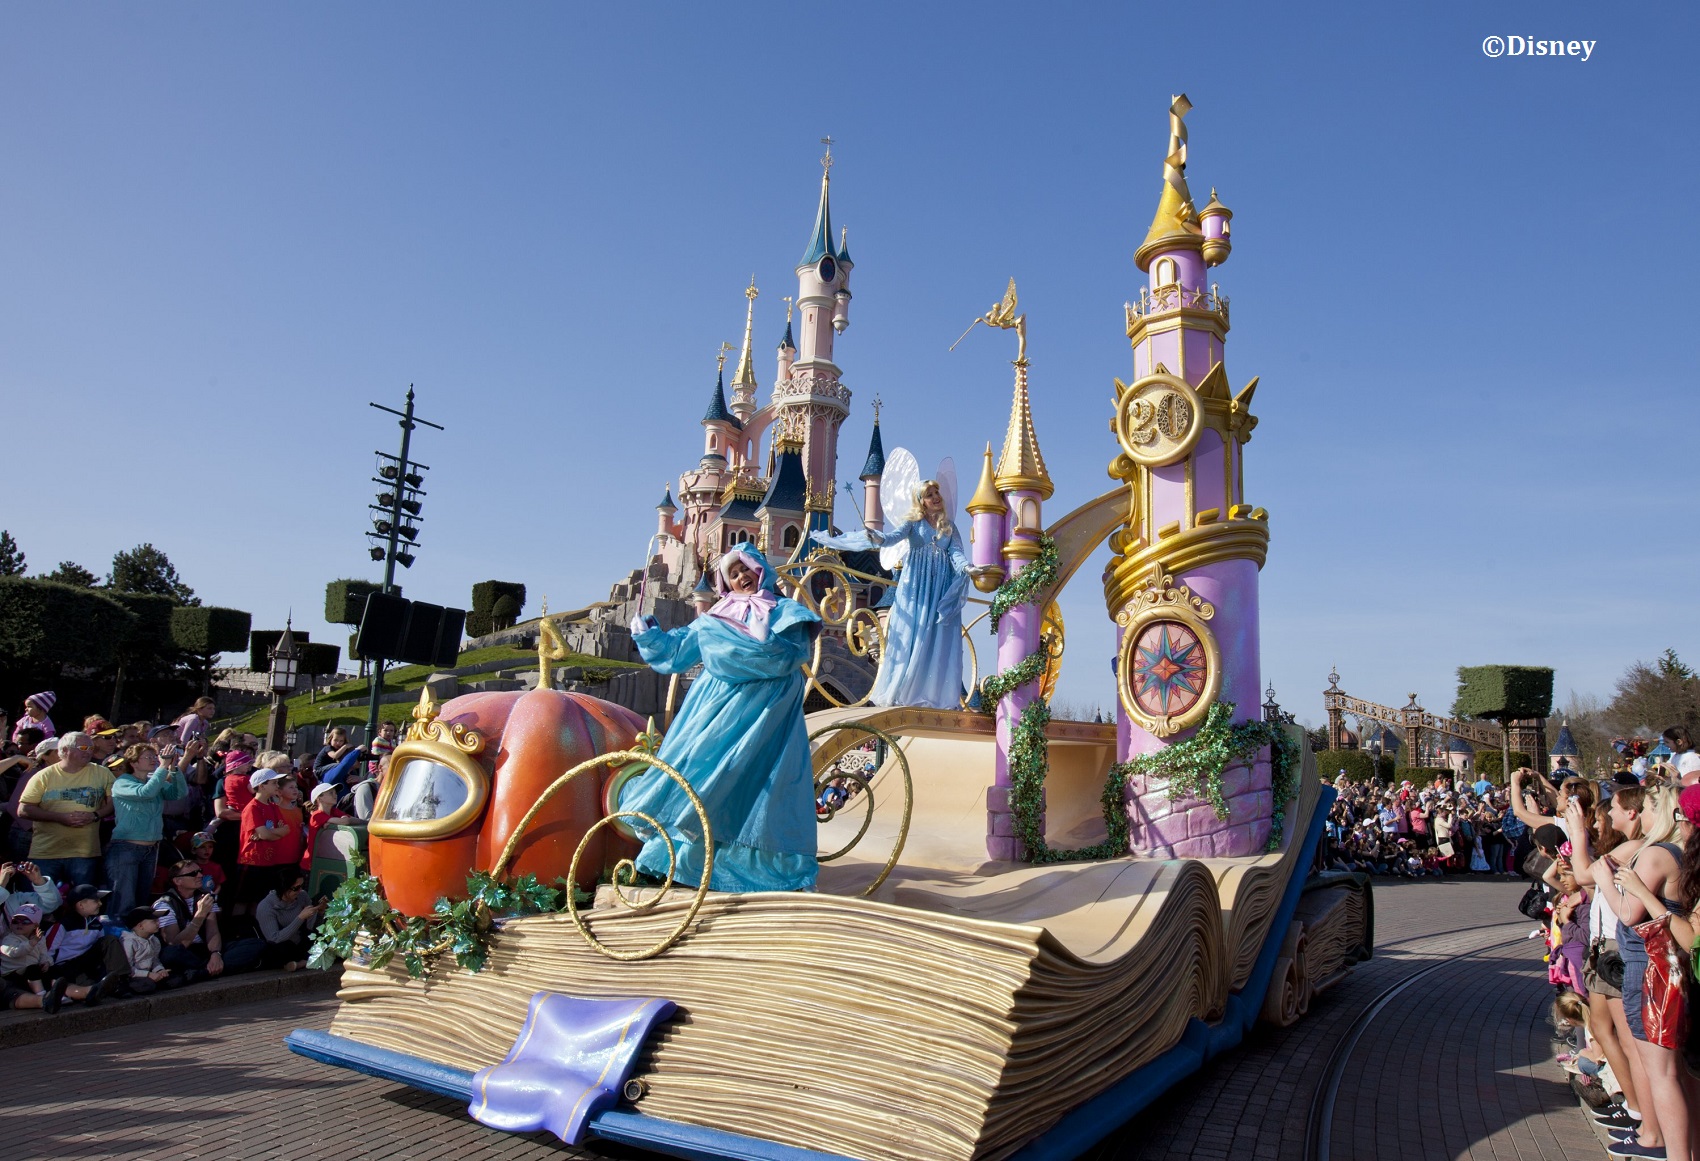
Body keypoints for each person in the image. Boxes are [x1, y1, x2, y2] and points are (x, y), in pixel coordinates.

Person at [621, 544, 822, 892]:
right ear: (725, 582)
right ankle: (673, 860)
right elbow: (676, 653)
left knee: (758, 791)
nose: (742, 576)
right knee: (701, 776)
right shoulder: (714, 618)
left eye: (746, 569)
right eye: (734, 573)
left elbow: (783, 657)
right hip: (715, 715)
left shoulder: (784, 610)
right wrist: (648, 635)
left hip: (765, 719)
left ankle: (764, 870)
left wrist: (735, 647)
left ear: (760, 571)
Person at [1569, 784, 1687, 1159]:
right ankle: (1658, 1134)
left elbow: (1629, 912)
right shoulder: (1666, 851)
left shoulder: (1654, 853)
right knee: (1666, 1068)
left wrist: (1580, 839)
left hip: (1646, 964)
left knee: (1661, 1071)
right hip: (1650, 963)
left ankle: (1656, 1136)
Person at [810, 479, 987, 709]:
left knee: (935, 638)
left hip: (939, 591)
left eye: (936, 492)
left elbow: (956, 554)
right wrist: (877, 537)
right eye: (929, 494)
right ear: (920, 502)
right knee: (914, 635)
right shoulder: (914, 523)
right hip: (916, 589)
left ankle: (930, 694)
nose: (935, 497)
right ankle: (903, 691)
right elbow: (892, 538)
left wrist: (968, 568)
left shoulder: (948, 527)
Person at [17, 732, 114, 887]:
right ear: (64, 751)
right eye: (83, 747)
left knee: (85, 902)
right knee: (38, 903)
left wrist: (95, 815)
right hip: (46, 852)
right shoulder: (44, 776)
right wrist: (60, 817)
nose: (88, 751)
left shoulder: (102, 773)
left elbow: (113, 802)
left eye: (91, 747)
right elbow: (23, 809)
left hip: (85, 852)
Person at [106, 742, 187, 919]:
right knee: (123, 901)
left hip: (150, 848)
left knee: (142, 900)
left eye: (153, 756)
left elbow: (178, 793)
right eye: (148, 757)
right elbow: (145, 793)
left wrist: (173, 768)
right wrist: (163, 767)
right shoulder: (123, 782)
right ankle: (117, 938)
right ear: (133, 763)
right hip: (126, 848)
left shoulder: (154, 781)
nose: (153, 760)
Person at [153, 860, 262, 978]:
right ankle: (210, 970)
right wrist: (200, 915)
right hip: (186, 951)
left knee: (257, 944)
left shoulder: (205, 895)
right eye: (193, 873)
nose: (200, 875)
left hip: (205, 949)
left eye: (200, 871)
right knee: (170, 954)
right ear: (177, 881)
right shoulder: (164, 904)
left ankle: (204, 970)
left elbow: (213, 931)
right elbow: (174, 943)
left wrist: (215, 954)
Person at [1, 903, 105, 1012]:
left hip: (33, 975)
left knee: (51, 972)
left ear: (35, 926)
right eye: (15, 921)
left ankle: (88, 992)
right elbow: (13, 952)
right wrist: (31, 943)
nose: (19, 924)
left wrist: (46, 962)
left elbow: (44, 954)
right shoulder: (9, 938)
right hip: (14, 974)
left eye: (25, 922)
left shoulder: (39, 939)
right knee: (32, 970)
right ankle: (45, 997)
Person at [238, 766, 297, 906]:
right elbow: (265, 834)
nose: (277, 785)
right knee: (243, 901)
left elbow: (285, 830)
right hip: (251, 862)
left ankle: (255, 925)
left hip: (269, 862)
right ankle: (239, 926)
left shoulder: (273, 807)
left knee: (260, 900)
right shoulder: (253, 807)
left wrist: (268, 834)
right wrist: (270, 833)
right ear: (262, 786)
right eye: (273, 783)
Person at [254, 873, 325, 970]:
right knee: (280, 949)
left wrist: (319, 914)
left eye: (301, 886)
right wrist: (300, 918)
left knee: (323, 938)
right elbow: (274, 938)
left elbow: (311, 927)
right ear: (284, 888)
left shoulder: (302, 896)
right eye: (296, 888)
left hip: (300, 941)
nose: (300, 891)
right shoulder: (266, 906)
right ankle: (306, 960)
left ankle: (302, 962)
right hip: (280, 945)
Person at [301, 784, 350, 871]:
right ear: (319, 798)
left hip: (324, 859)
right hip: (311, 863)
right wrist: (341, 821)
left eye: (335, 793)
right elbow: (345, 821)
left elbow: (351, 819)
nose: (335, 795)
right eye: (331, 793)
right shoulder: (317, 815)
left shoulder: (333, 811)